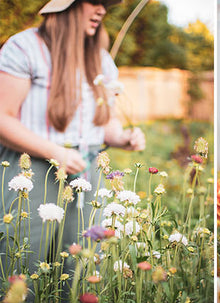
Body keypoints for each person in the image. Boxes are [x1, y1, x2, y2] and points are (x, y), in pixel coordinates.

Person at [0, 0, 145, 269]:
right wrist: (56, 152)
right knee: (22, 263)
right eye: (94, 1)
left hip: (87, 168)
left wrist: (122, 138)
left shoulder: (101, 58)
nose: (102, 10)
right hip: (33, 169)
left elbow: (106, 123)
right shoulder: (24, 47)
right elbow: (2, 118)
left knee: (82, 264)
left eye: (105, 4)